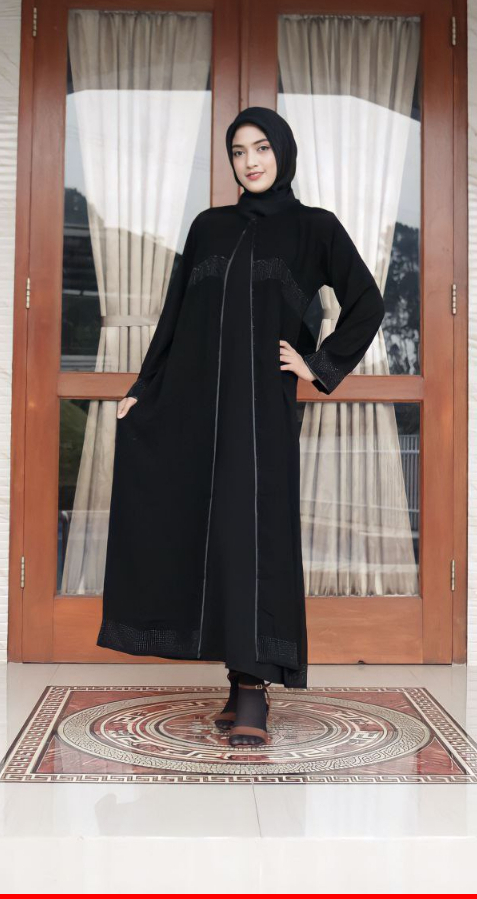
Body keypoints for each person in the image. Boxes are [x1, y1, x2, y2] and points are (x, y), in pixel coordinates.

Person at [97, 106, 385, 746]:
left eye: (261, 148)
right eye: (238, 151)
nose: (250, 161)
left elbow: (368, 302)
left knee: (253, 534)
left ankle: (254, 687)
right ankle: (237, 678)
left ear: (283, 153)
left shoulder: (314, 229)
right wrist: (143, 389)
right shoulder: (210, 227)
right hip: (195, 405)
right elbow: (174, 317)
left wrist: (318, 364)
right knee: (208, 534)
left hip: (260, 411)